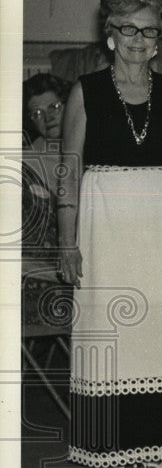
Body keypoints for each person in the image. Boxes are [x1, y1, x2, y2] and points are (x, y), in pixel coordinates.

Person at [57, 0, 162, 468]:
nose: (140, 40)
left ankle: (154, 446)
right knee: (112, 337)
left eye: (150, 31)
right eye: (129, 28)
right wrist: (65, 241)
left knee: (160, 338)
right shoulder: (87, 92)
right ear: (110, 33)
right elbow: (70, 172)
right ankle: (109, 450)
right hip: (106, 233)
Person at [22, 74, 74, 329]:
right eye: (37, 113)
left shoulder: (87, 151)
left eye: (53, 107)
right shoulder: (28, 160)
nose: (47, 117)